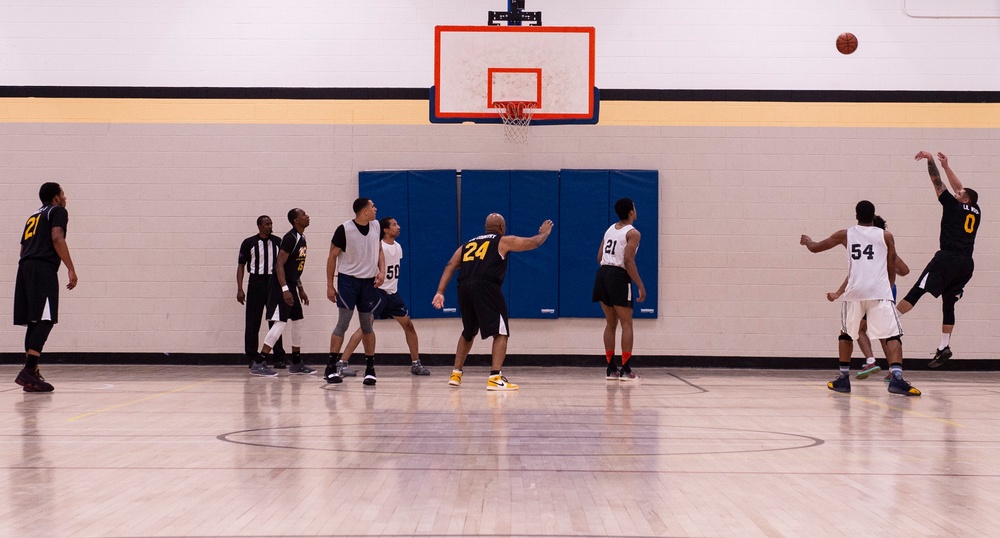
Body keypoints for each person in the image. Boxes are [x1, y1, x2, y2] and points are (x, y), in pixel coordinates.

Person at [800, 200, 920, 396]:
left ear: (856, 216)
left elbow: (816, 248)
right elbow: (893, 265)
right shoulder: (886, 235)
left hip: (855, 292)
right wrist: (888, 288)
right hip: (879, 292)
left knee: (846, 334)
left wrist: (808, 242)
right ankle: (896, 379)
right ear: (873, 217)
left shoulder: (845, 234)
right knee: (892, 335)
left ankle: (843, 379)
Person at [432, 213, 554, 391]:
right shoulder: (503, 241)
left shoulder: (467, 245)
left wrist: (440, 292)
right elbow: (533, 243)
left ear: (485, 227)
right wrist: (544, 233)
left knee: (468, 331)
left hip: (464, 287)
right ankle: (495, 377)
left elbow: (450, 265)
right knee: (501, 331)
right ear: (502, 227)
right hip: (486, 286)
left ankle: (456, 374)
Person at [897, 152, 980, 368]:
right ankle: (944, 346)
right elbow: (960, 187)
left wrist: (932, 161)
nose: (956, 192)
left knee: (919, 289)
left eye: (959, 193)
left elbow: (938, 183)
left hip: (947, 259)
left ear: (964, 198)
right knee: (949, 302)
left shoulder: (952, 206)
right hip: (966, 264)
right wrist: (947, 166)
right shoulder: (976, 210)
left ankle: (891, 320)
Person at [338, 217, 430, 376]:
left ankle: (416, 363)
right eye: (394, 225)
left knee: (408, 325)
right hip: (378, 292)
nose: (398, 227)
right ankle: (342, 363)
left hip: (393, 294)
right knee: (366, 327)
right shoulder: (378, 247)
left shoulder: (398, 247)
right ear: (385, 230)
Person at [825, 215, 909, 380]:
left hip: (875, 292)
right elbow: (904, 270)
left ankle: (870, 360)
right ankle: (893, 370)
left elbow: (853, 277)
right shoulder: (886, 244)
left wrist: (838, 293)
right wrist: (890, 270)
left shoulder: (873, 245)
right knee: (887, 334)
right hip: (887, 290)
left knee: (856, 329)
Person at [13, 182, 78, 392]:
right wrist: (70, 268)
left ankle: (32, 372)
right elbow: (57, 237)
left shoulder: (33, 216)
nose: (65, 198)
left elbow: (22, 247)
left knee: (34, 320)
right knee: (46, 318)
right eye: (63, 194)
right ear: (56, 198)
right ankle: (29, 369)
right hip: (42, 267)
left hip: (25, 266)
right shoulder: (58, 211)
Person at [325, 198, 386, 386]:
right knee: (343, 323)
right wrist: (329, 285)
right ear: (364, 211)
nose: (376, 209)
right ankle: (331, 367)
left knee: (367, 325)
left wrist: (382, 270)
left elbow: (380, 251)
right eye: (373, 206)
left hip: (368, 282)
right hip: (348, 281)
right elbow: (332, 257)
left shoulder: (376, 226)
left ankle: (370, 369)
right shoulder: (344, 229)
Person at [252, 208, 315, 376]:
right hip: (282, 286)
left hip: (292, 284)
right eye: (303, 214)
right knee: (280, 322)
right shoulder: (290, 238)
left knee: (298, 320)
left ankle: (296, 362)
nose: (307, 216)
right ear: (296, 220)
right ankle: (259, 362)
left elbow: (293, 267)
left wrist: (300, 288)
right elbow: (279, 265)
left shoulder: (302, 237)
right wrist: (285, 289)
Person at [592, 198, 647, 381]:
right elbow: (628, 260)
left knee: (610, 323)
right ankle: (626, 369)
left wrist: (608, 271)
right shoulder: (633, 233)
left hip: (602, 274)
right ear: (631, 211)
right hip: (618, 276)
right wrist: (639, 284)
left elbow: (599, 256)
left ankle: (610, 368)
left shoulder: (610, 229)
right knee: (627, 324)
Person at [237, 215, 287, 369]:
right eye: (266, 224)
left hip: (274, 283)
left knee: (276, 321)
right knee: (253, 321)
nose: (270, 226)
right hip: (256, 283)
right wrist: (240, 288)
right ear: (259, 226)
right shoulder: (249, 243)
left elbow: (285, 266)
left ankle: (278, 357)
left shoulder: (278, 242)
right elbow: (240, 266)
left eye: (271, 223)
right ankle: (252, 356)